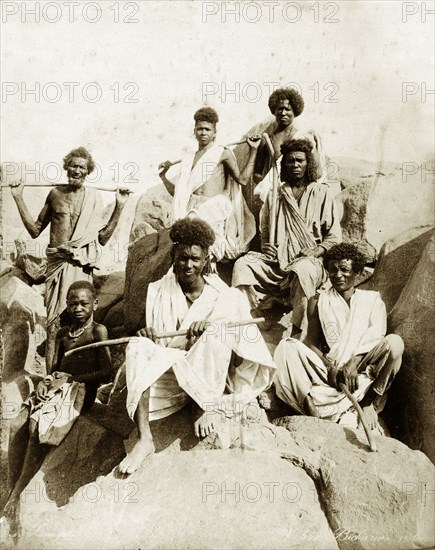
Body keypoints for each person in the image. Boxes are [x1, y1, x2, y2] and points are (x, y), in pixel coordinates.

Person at [118, 217, 276, 475]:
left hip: (209, 382)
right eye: (182, 258)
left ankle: (202, 406)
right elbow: (161, 348)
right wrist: (149, 335)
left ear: (206, 260)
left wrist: (208, 331)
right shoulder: (158, 290)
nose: (188, 265)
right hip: (172, 376)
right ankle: (145, 438)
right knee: (136, 346)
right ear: (173, 256)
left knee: (216, 332)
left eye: (195, 258)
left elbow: (243, 351)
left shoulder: (227, 297)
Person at [2, 280, 113, 541]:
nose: (78, 309)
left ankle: (18, 492)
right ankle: (12, 483)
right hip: (59, 389)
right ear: (66, 305)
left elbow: (107, 371)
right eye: (72, 304)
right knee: (18, 421)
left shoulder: (98, 331)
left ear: (95, 304)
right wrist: (47, 382)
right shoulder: (63, 334)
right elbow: (53, 371)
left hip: (80, 391)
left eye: (84, 303)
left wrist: (73, 379)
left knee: (36, 426)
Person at [10, 147, 130, 369]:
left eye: (82, 167)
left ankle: (76, 378)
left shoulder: (94, 197)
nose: (77, 170)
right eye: (73, 166)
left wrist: (120, 205)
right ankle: (49, 377)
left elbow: (103, 238)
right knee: (54, 325)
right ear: (66, 167)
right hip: (58, 265)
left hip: (81, 266)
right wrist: (18, 197)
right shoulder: (55, 194)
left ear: (88, 172)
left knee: (80, 321)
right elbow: (35, 230)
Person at [274, 243, 404, 431]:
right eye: (333, 270)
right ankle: (309, 404)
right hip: (331, 371)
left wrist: (353, 362)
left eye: (344, 269)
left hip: (361, 368)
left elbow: (376, 336)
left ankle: (368, 403)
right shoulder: (318, 300)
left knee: (395, 343)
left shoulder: (372, 300)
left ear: (357, 272)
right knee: (287, 346)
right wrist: (330, 367)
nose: (338, 275)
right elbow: (311, 343)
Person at [232, 138, 342, 338]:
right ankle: (253, 316)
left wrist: (316, 250)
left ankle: (297, 330)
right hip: (277, 263)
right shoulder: (275, 195)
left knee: (302, 269)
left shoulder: (322, 192)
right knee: (243, 264)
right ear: (285, 164)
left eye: (300, 160)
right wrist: (266, 247)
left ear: (309, 163)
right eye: (290, 161)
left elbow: (334, 237)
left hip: (310, 262)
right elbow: (265, 231)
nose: (295, 165)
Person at [158, 107, 260, 261]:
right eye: (200, 129)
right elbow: (178, 194)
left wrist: (254, 151)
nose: (203, 133)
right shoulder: (188, 158)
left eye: (207, 129)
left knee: (206, 246)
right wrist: (163, 177)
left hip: (214, 207)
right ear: (194, 131)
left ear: (214, 132)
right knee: (183, 247)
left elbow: (243, 180)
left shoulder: (222, 153)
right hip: (189, 207)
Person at [252, 87, 326, 205]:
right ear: (274, 111)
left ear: (295, 111)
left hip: (300, 196)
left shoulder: (304, 136)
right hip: (276, 197)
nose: (283, 113)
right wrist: (270, 187)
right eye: (279, 109)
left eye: (287, 109)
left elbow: (317, 173)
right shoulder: (267, 138)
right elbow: (257, 173)